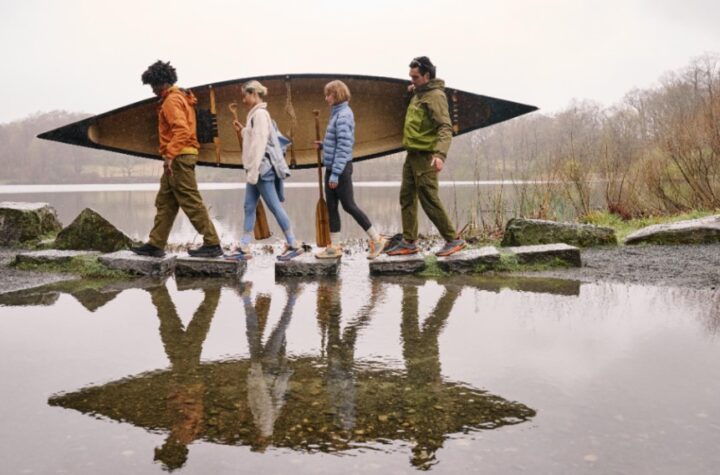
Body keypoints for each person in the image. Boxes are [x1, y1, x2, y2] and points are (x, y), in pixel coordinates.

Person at [131, 60, 222, 258]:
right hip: (180, 156)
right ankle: (156, 244)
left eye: (153, 86)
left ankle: (212, 243)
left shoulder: (171, 101)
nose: (152, 90)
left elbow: (182, 131)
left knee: (190, 201)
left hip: (179, 157)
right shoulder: (180, 97)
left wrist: (169, 155)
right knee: (165, 201)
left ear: (161, 83)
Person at [386, 56, 466, 257]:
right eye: (410, 76)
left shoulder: (436, 96)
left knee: (429, 199)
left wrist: (440, 155)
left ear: (427, 76)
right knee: (406, 197)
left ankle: (453, 239)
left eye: (415, 77)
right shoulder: (418, 94)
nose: (411, 80)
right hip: (412, 154)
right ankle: (409, 242)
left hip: (426, 156)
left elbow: (445, 127)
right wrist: (410, 93)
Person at [228, 80, 301, 261]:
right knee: (248, 206)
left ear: (253, 94)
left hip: (261, 170)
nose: (243, 100)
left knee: (274, 207)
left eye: (245, 96)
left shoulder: (260, 114)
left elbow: (259, 144)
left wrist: (253, 171)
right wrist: (243, 130)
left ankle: (293, 244)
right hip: (255, 170)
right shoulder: (255, 114)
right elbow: (254, 137)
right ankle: (244, 246)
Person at [314, 80, 386, 259]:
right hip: (332, 167)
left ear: (337, 94)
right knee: (332, 207)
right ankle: (334, 247)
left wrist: (336, 174)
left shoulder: (344, 115)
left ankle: (377, 240)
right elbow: (337, 141)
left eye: (328, 94)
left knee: (349, 206)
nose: (326, 98)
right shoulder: (337, 113)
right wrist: (324, 145)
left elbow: (345, 146)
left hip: (340, 169)